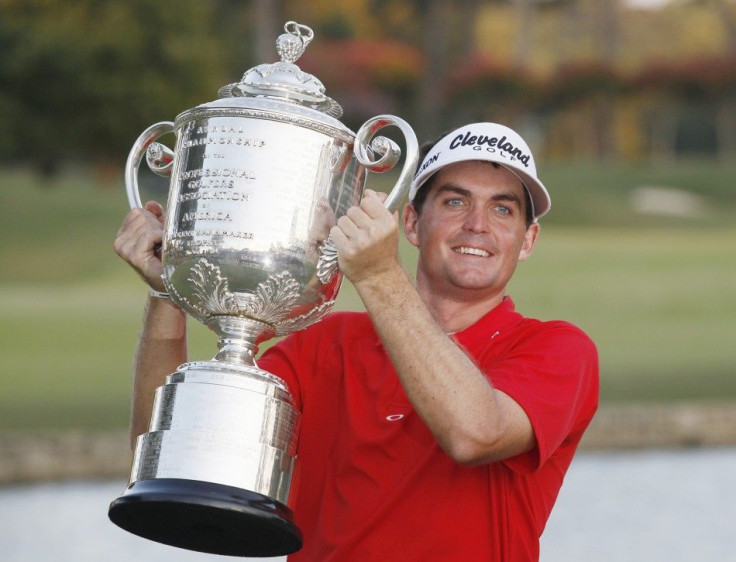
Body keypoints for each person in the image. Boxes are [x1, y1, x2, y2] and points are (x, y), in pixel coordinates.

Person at [114, 121, 599, 562]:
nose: (477, 224)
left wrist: (378, 274)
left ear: (528, 239)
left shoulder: (558, 349)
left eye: (503, 209)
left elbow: (474, 433)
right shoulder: (321, 345)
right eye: (455, 201)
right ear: (410, 223)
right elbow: (164, 459)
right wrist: (165, 294)